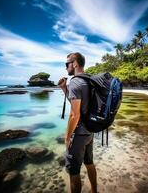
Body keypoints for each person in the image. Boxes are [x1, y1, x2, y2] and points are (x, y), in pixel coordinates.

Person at [58, 52, 97, 193]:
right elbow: (80, 105)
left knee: (74, 172)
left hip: (79, 134)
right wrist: (64, 88)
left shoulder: (75, 81)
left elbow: (75, 114)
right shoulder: (89, 80)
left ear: (74, 64)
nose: (66, 67)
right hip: (90, 131)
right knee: (89, 163)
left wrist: (67, 137)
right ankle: (94, 191)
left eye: (66, 64)